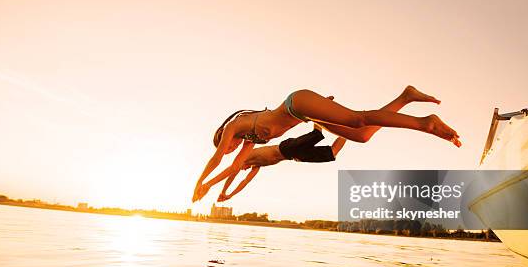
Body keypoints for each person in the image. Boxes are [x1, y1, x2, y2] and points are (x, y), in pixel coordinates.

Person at [193, 86, 461, 201]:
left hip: (296, 103)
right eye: (227, 149)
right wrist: (213, 189)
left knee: (357, 120)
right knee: (362, 135)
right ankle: (406, 97)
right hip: (305, 115)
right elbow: (231, 169)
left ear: (222, 134)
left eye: (223, 145)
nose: (226, 151)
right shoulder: (249, 142)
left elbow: (217, 161)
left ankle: (426, 123)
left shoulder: (235, 125)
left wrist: (201, 182)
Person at [201, 124, 347, 202]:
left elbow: (231, 174)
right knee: (332, 153)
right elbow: (245, 182)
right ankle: (348, 132)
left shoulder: (246, 157)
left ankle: (318, 114)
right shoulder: (255, 165)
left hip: (286, 147)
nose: (242, 170)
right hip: (294, 156)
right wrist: (231, 195)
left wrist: (223, 191)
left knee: (317, 135)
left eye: (240, 168)